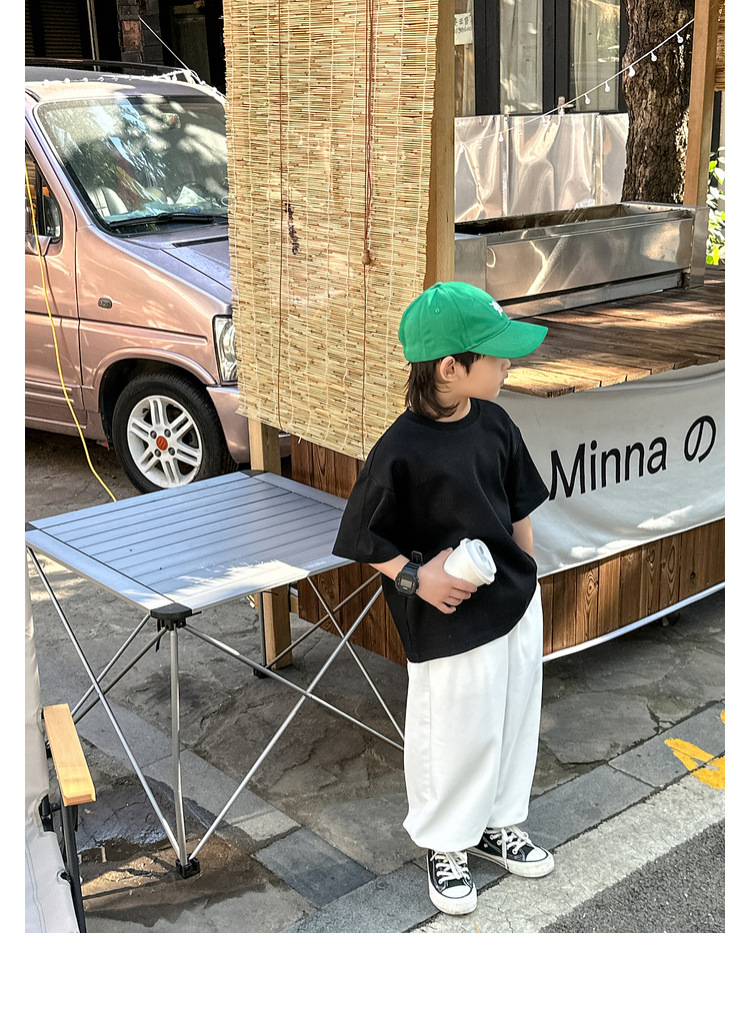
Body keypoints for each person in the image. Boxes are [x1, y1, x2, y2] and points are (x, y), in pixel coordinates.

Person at [332, 280, 554, 915]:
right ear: (450, 367)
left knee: (512, 719)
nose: (507, 364)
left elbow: (518, 508)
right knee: (452, 731)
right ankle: (446, 842)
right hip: (447, 620)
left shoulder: (496, 423)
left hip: (514, 605)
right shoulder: (400, 449)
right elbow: (363, 537)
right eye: (496, 354)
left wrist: (528, 574)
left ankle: (498, 822)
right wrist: (417, 579)